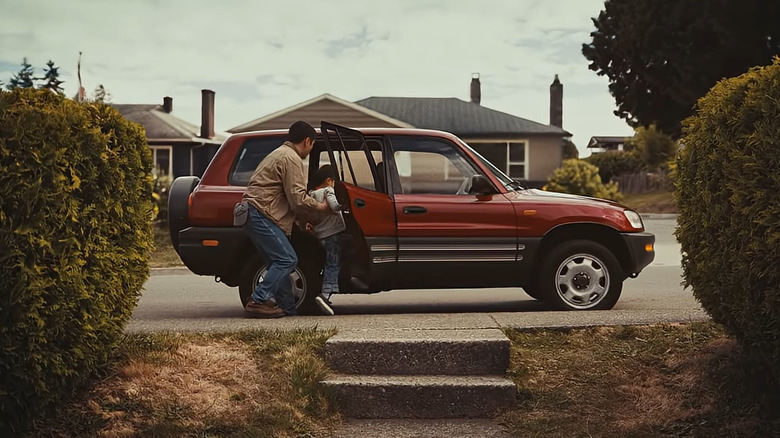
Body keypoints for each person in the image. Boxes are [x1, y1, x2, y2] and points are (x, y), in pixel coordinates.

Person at [241, 121, 328, 318]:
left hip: (256, 213)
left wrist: (302, 221)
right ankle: (257, 300)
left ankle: (288, 308)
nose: (311, 149)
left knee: (277, 262)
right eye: (312, 144)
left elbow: (289, 199)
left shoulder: (279, 153)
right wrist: (322, 207)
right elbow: (298, 198)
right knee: (287, 259)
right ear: (307, 141)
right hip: (262, 214)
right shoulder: (291, 158)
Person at [307, 165, 346, 316]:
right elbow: (335, 206)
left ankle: (323, 290)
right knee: (333, 264)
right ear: (328, 180)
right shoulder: (328, 191)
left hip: (320, 235)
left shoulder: (312, 194)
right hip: (332, 234)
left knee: (327, 262)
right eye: (334, 181)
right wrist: (343, 206)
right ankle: (325, 294)